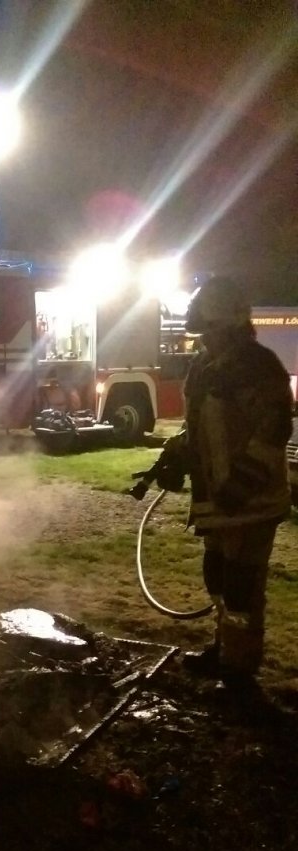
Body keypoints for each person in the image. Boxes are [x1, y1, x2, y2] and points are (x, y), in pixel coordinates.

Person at [155, 276, 293, 687]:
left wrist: (242, 483)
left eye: (211, 331)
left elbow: (274, 429)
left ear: (230, 326)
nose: (205, 339)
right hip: (218, 503)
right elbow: (200, 426)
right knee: (216, 574)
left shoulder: (258, 366)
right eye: (202, 333)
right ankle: (225, 648)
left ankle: (239, 670)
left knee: (241, 587)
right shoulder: (204, 366)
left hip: (252, 502)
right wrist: (177, 453)